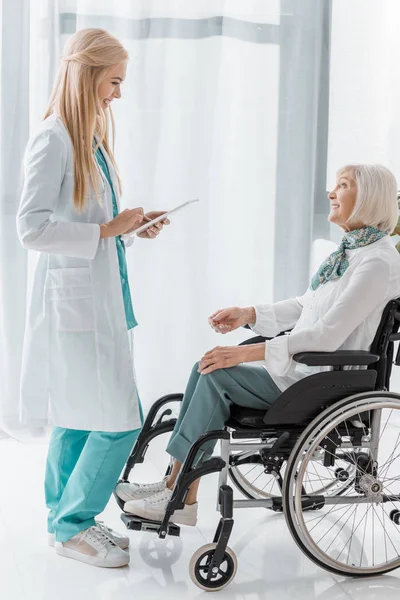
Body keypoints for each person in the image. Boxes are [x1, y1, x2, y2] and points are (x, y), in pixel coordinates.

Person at [116, 163, 400, 526]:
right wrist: (248, 313)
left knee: (215, 373)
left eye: (342, 186)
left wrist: (246, 352)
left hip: (323, 383)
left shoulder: (376, 263)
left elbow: (326, 335)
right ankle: (174, 482)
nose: (331, 193)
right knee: (208, 366)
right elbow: (305, 307)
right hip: (305, 372)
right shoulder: (352, 253)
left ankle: (181, 495)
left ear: (370, 199)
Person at [16, 28, 169, 568]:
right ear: (88, 77)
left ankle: (64, 523)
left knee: (78, 417)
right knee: (118, 419)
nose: (118, 95)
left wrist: (128, 228)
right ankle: (74, 524)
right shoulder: (53, 140)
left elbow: (90, 223)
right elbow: (29, 229)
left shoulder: (91, 140)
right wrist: (107, 232)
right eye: (114, 82)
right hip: (73, 306)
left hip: (95, 298)